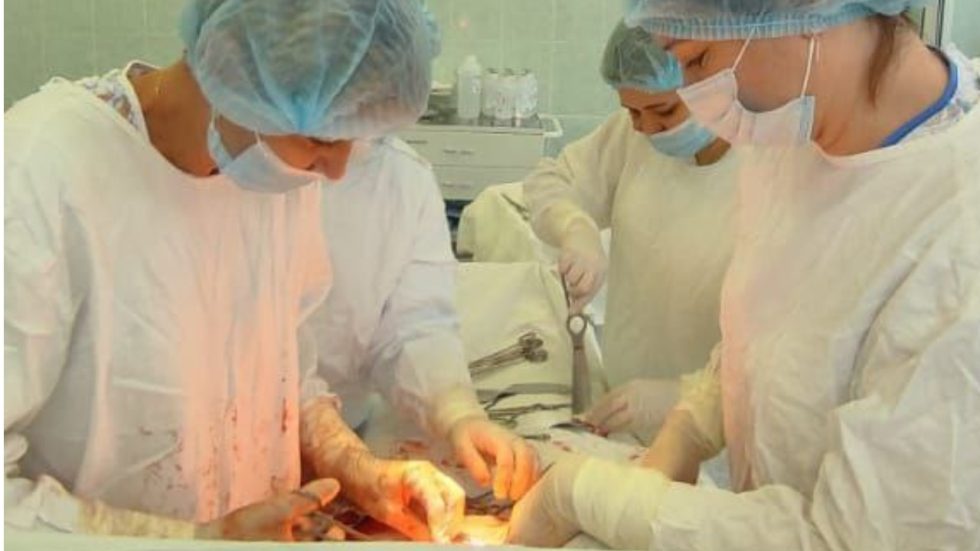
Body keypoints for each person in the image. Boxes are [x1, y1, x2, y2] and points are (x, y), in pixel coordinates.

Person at [508, 1, 980, 549]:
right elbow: (770, 324)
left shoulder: (956, 238)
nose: (694, 97)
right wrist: (692, 425)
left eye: (698, 59)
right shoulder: (794, 135)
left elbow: (856, 539)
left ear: (807, 14)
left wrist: (583, 495)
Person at [5, 0, 468, 543]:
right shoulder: (38, 170)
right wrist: (192, 540)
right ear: (241, 74)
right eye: (324, 139)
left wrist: (356, 467)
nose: (338, 170)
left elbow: (286, 376)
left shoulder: (269, 171)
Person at [524, 22, 738, 439]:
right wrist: (575, 226)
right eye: (632, 112)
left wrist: (691, 397)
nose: (645, 128)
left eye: (665, 112)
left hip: (713, 440)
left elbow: (785, 355)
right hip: (621, 410)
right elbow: (549, 181)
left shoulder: (771, 170)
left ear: (712, 82)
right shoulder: (634, 136)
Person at [308, 136, 539, 502]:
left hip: (346, 421)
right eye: (323, 140)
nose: (337, 167)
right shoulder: (235, 177)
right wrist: (329, 444)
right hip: (226, 437)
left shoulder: (401, 176)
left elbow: (413, 325)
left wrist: (456, 412)